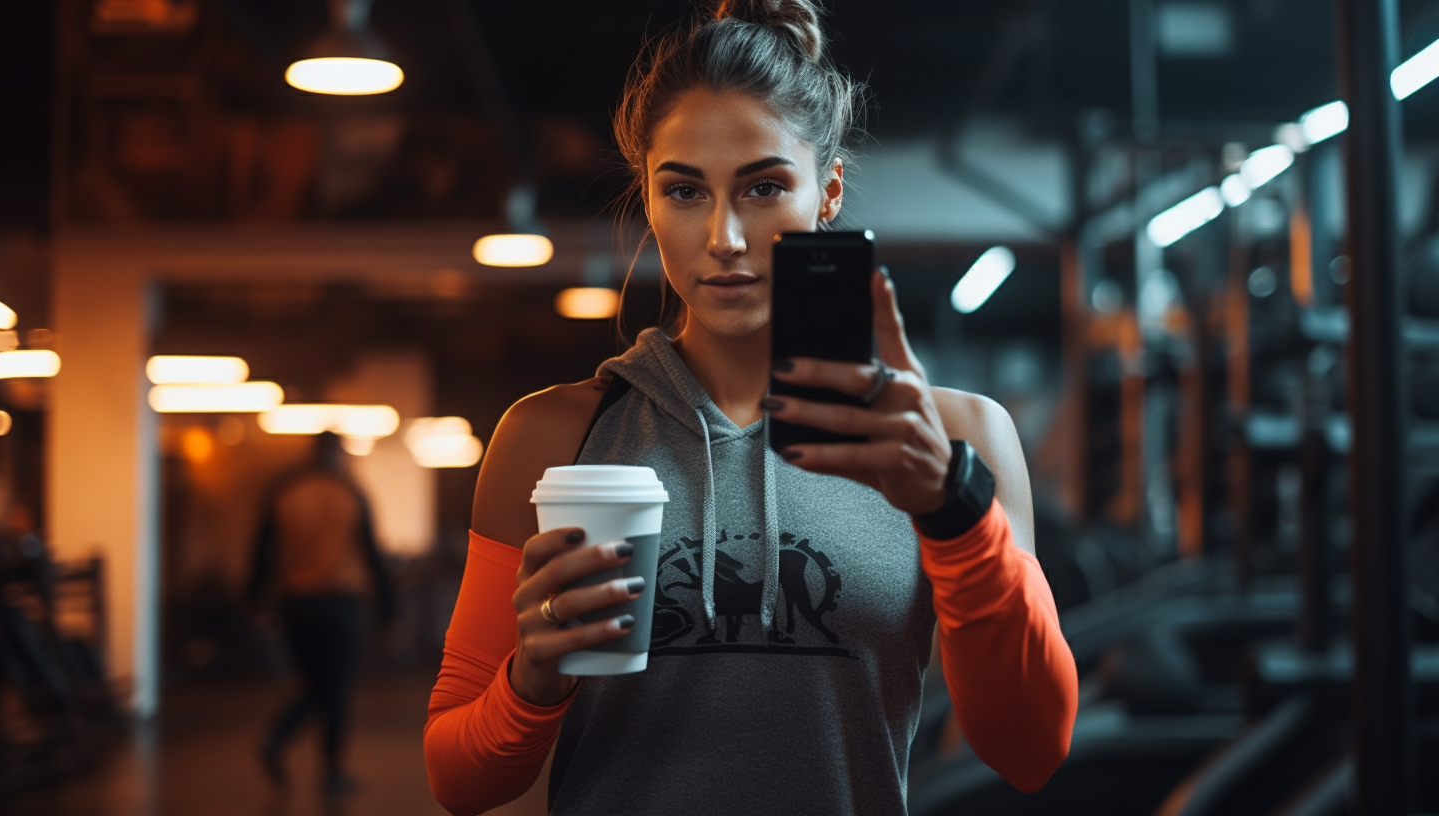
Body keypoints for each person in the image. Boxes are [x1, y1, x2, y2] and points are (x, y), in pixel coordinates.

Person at [424, 1, 1078, 813]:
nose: (725, 235)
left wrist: (953, 511)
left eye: (764, 186)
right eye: (686, 191)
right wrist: (530, 681)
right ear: (650, 200)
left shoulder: (958, 439)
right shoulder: (551, 439)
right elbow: (457, 778)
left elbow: (1030, 750)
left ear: (828, 191)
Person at [248, 431, 394, 797]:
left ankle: (276, 739)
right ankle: (330, 772)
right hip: (342, 604)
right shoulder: (351, 493)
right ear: (340, 455)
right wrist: (389, 610)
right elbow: (373, 556)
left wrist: (253, 600)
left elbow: (262, 550)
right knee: (336, 690)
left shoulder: (284, 491)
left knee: (317, 686)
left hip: (295, 605)